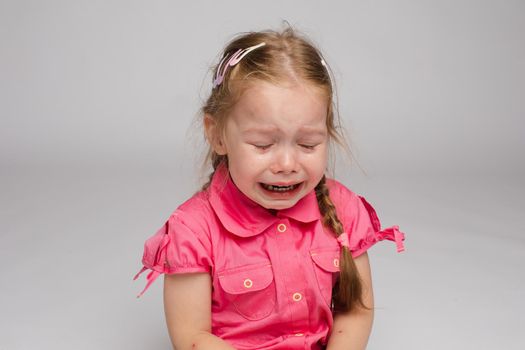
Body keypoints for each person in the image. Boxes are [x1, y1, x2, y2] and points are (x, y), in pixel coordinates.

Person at [134, 26, 406, 350]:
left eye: (307, 144)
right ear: (218, 134)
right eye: (263, 144)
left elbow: (355, 312)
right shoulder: (193, 231)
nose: (287, 163)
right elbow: (192, 337)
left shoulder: (343, 209)